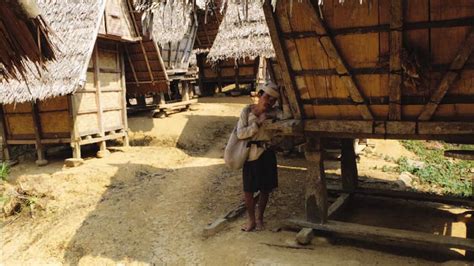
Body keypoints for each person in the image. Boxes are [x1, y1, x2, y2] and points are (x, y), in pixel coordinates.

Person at [236, 82, 280, 232]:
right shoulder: (247, 111)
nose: (268, 102)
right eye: (266, 97)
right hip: (250, 155)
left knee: (265, 189)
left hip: (267, 154)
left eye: (273, 100)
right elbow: (240, 133)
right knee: (248, 191)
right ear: (260, 95)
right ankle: (251, 221)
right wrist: (257, 125)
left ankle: (260, 218)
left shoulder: (275, 114)